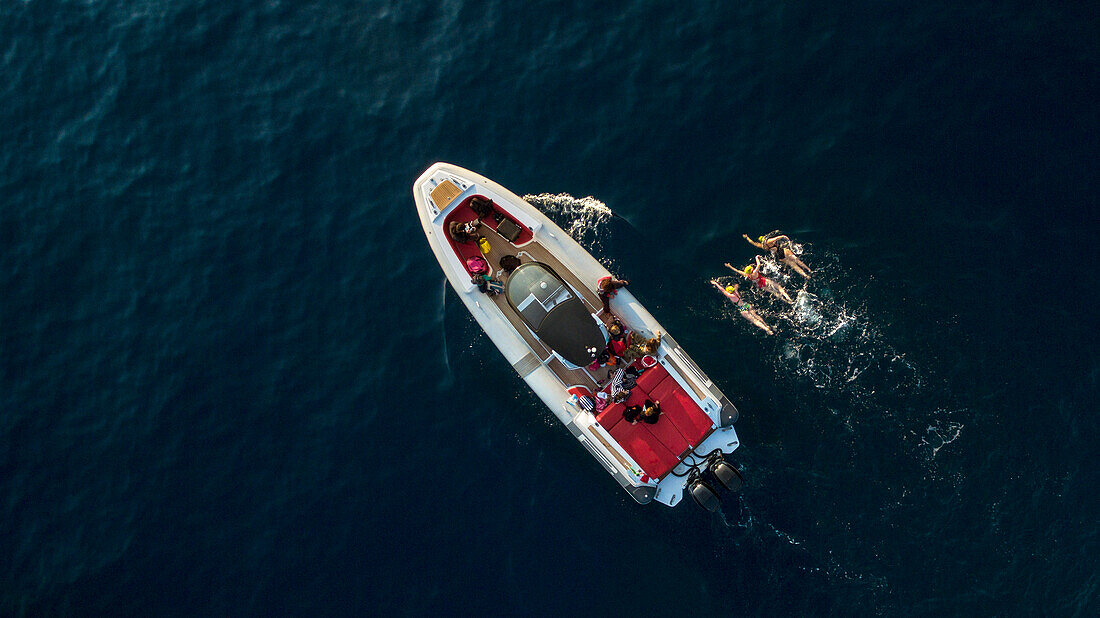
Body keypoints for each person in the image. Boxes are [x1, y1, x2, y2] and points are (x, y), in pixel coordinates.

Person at [725, 256, 794, 304]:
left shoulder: (747, 275)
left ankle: (786, 301)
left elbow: (737, 271)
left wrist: (730, 266)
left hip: (760, 285)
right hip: (764, 281)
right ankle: (788, 298)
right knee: (779, 287)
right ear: (751, 270)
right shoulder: (754, 273)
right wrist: (756, 258)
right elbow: (759, 264)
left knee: (774, 292)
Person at [743, 232, 812, 278]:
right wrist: (784, 236)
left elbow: (753, 243)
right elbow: (777, 237)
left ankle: (805, 275)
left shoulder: (763, 246)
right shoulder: (768, 241)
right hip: (784, 251)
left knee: (793, 265)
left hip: (780, 257)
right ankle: (808, 269)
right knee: (796, 260)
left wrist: (747, 238)